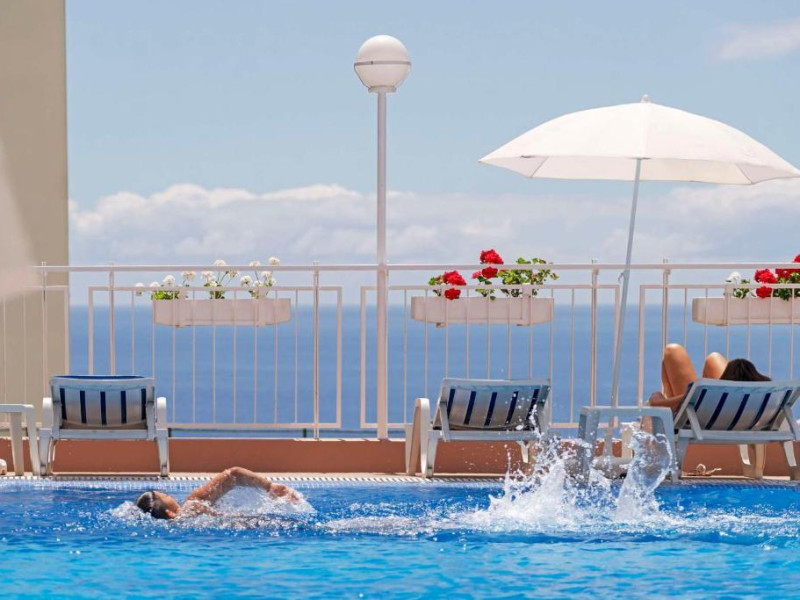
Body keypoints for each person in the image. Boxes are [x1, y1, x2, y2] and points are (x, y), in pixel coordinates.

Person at [135, 466, 300, 520]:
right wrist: (270, 486)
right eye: (166, 496)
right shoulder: (191, 505)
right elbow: (234, 474)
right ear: (169, 513)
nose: (170, 495)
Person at [648, 343, 770, 415]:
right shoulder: (765, 399)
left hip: (699, 420)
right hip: (738, 418)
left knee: (672, 350)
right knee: (714, 358)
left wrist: (656, 396)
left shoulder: (704, 396)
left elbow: (657, 405)